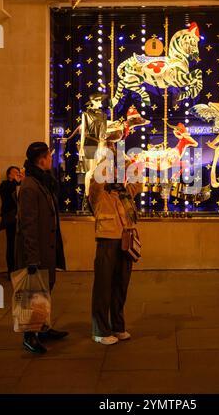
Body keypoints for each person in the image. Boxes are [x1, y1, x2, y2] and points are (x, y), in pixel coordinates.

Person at [15, 142, 68, 354]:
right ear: (41, 159)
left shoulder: (41, 182)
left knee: (44, 290)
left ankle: (43, 328)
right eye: (48, 156)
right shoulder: (30, 186)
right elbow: (28, 224)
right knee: (32, 293)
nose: (51, 159)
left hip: (47, 248)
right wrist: (32, 258)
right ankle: (30, 336)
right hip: (36, 252)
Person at [89, 146, 142, 345]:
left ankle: (118, 326)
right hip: (107, 242)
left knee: (121, 286)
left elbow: (138, 180)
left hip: (125, 243)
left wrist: (125, 160)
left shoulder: (125, 194)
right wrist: (106, 160)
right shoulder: (100, 195)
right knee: (103, 286)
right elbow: (96, 182)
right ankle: (100, 330)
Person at [0, 166, 22, 279]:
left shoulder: (22, 184)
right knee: (11, 244)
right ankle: (11, 271)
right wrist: (15, 182)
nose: (17, 174)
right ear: (9, 175)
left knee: (20, 246)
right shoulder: (5, 184)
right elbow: (6, 195)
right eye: (14, 172)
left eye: (18, 172)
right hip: (11, 219)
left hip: (21, 219)